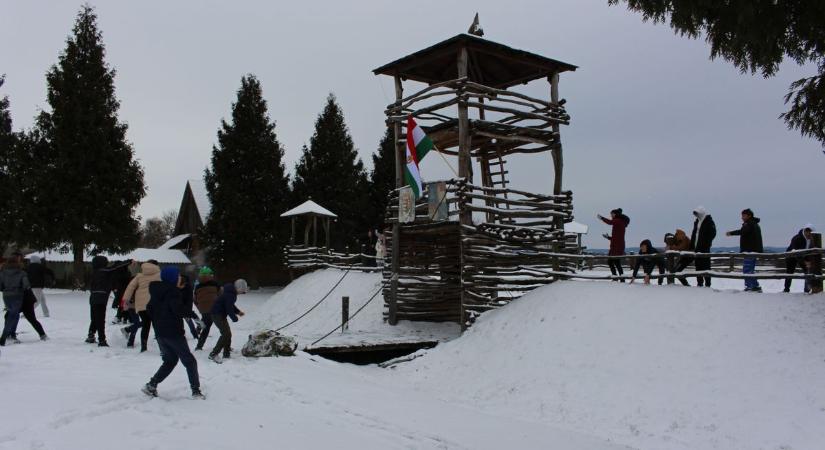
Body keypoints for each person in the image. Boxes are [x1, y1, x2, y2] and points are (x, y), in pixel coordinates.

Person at [141, 266, 204, 399]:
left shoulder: (156, 291)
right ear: (173, 278)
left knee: (170, 360)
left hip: (160, 333)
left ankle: (151, 385)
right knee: (190, 361)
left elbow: (149, 309)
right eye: (178, 276)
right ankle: (196, 391)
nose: (180, 278)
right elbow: (178, 309)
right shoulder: (172, 292)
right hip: (173, 333)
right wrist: (194, 316)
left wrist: (160, 320)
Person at [87, 256, 130, 346]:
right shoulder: (104, 271)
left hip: (93, 297)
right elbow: (116, 266)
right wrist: (129, 261)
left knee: (94, 318)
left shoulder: (95, 272)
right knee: (100, 319)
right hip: (101, 298)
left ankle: (91, 335)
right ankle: (102, 340)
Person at [121, 260, 161, 351]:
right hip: (155, 304)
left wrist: (125, 301)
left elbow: (130, 287)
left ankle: (144, 347)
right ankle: (162, 348)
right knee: (157, 326)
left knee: (145, 325)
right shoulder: (160, 275)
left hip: (141, 305)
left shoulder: (139, 276)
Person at [208, 279, 247, 364]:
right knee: (226, 334)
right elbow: (228, 308)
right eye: (242, 290)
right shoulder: (231, 295)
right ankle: (213, 354)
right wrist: (234, 318)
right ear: (239, 288)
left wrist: (238, 312)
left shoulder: (230, 293)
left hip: (219, 315)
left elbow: (230, 305)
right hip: (217, 315)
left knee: (228, 333)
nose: (242, 292)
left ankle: (226, 353)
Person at [726, 208, 763, 292]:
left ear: (749, 216)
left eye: (743, 215)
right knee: (749, 269)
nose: (742, 217)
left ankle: (751, 286)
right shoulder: (752, 224)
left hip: (750, 250)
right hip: (752, 250)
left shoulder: (749, 224)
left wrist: (731, 233)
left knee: (747, 269)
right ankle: (754, 286)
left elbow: (742, 232)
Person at [0, 253, 30, 346]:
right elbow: (26, 285)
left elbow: (0, 285)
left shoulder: (2, 272)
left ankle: (12, 333)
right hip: (17, 295)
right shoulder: (22, 273)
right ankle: (4, 336)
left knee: (13, 314)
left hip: (6, 296)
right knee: (13, 315)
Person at [598, 208, 630, 282]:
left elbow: (610, 222)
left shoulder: (618, 221)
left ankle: (617, 278)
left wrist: (602, 218)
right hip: (617, 245)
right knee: (615, 262)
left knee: (613, 262)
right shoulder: (619, 222)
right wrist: (608, 237)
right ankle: (619, 278)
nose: (611, 215)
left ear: (615, 214)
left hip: (617, 246)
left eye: (612, 214)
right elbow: (616, 237)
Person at [193, 267, 221, 351]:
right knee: (223, 328)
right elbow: (220, 295)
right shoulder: (215, 284)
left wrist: (200, 307)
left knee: (205, 323)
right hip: (214, 309)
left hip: (203, 309)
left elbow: (195, 299)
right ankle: (226, 344)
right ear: (210, 275)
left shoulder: (197, 286)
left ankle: (199, 345)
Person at [690, 206, 717, 288]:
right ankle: (699, 283)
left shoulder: (709, 221)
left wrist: (706, 242)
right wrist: (692, 244)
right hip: (697, 247)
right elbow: (694, 233)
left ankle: (708, 283)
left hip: (704, 248)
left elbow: (713, 233)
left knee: (706, 266)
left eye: (697, 213)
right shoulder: (697, 221)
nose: (696, 215)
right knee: (698, 266)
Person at [784, 224, 814, 293]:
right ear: (805, 231)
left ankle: (807, 289)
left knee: (807, 271)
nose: (809, 234)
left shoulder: (810, 239)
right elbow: (795, 252)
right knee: (789, 272)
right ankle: (786, 289)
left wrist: (808, 261)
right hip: (791, 256)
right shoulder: (797, 238)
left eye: (810, 232)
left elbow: (808, 250)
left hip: (803, 256)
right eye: (808, 232)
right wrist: (804, 262)